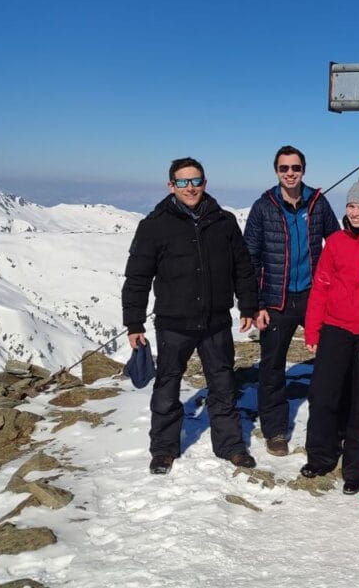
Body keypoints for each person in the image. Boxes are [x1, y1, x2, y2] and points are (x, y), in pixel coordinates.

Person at [122, 157, 259, 474]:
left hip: (215, 321)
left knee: (223, 385)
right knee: (167, 388)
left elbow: (243, 268)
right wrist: (134, 323)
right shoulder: (154, 225)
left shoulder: (223, 222)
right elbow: (138, 278)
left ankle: (231, 446)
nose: (190, 187)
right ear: (171, 186)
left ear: (205, 183)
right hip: (174, 323)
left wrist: (248, 305)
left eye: (195, 181)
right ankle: (164, 449)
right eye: (182, 182)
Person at [243, 145, 340, 457]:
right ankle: (275, 431)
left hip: (313, 296)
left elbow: (336, 243)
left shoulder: (317, 203)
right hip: (275, 300)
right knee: (272, 367)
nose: (289, 173)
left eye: (295, 168)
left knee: (328, 364)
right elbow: (250, 257)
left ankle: (330, 426)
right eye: (284, 168)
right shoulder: (264, 207)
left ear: (303, 170)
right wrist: (254, 305)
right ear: (276, 171)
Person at [301, 172, 359, 493]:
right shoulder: (335, 242)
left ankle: (355, 467)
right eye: (351, 205)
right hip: (335, 328)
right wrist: (313, 330)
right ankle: (320, 456)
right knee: (323, 395)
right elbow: (320, 288)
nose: (355, 211)